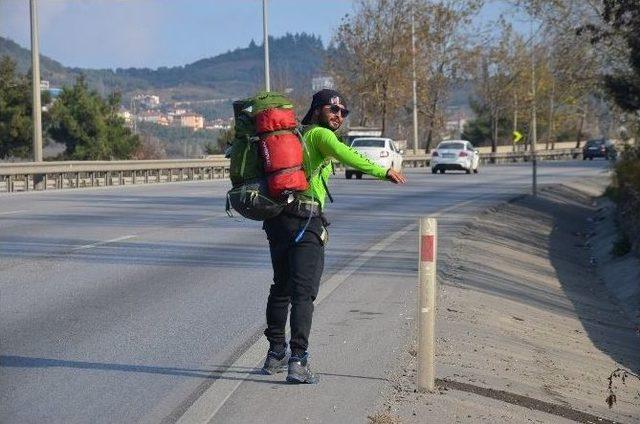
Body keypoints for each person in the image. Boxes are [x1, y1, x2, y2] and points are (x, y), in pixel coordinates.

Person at [261, 89, 407, 384]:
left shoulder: (294, 135)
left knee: (282, 287)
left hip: (277, 219)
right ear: (317, 110)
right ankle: (298, 361)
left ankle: (275, 352)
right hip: (306, 220)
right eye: (333, 110)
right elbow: (347, 154)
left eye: (343, 112)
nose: (339, 116)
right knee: (304, 293)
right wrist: (383, 171)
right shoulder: (321, 136)